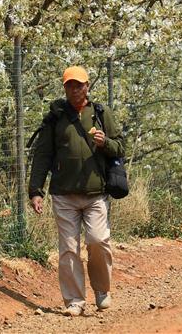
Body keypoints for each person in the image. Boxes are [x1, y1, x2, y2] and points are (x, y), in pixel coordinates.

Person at [28, 65, 125, 316]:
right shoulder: (55, 118)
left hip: (96, 193)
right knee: (68, 249)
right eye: (70, 85)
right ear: (65, 88)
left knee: (97, 241)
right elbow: (42, 155)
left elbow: (121, 147)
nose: (75, 89)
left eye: (79, 84)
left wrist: (106, 144)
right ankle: (74, 300)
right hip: (63, 194)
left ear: (88, 86)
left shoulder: (101, 113)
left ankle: (102, 290)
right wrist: (35, 190)